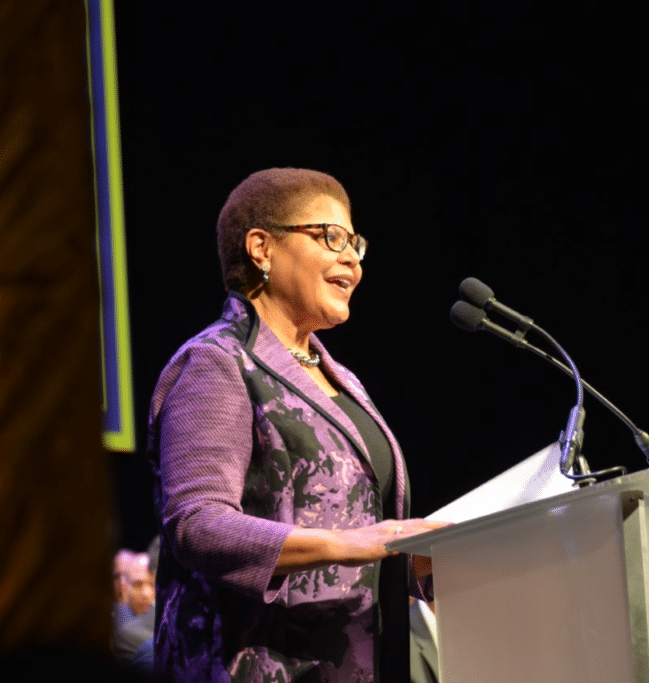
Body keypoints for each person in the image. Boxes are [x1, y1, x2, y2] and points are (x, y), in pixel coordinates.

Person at [148, 167, 443, 683]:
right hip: (258, 667)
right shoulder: (218, 362)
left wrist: (420, 566)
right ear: (261, 248)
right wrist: (349, 542)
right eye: (331, 237)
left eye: (356, 243)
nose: (351, 256)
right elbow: (196, 524)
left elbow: (367, 528)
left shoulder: (342, 378)